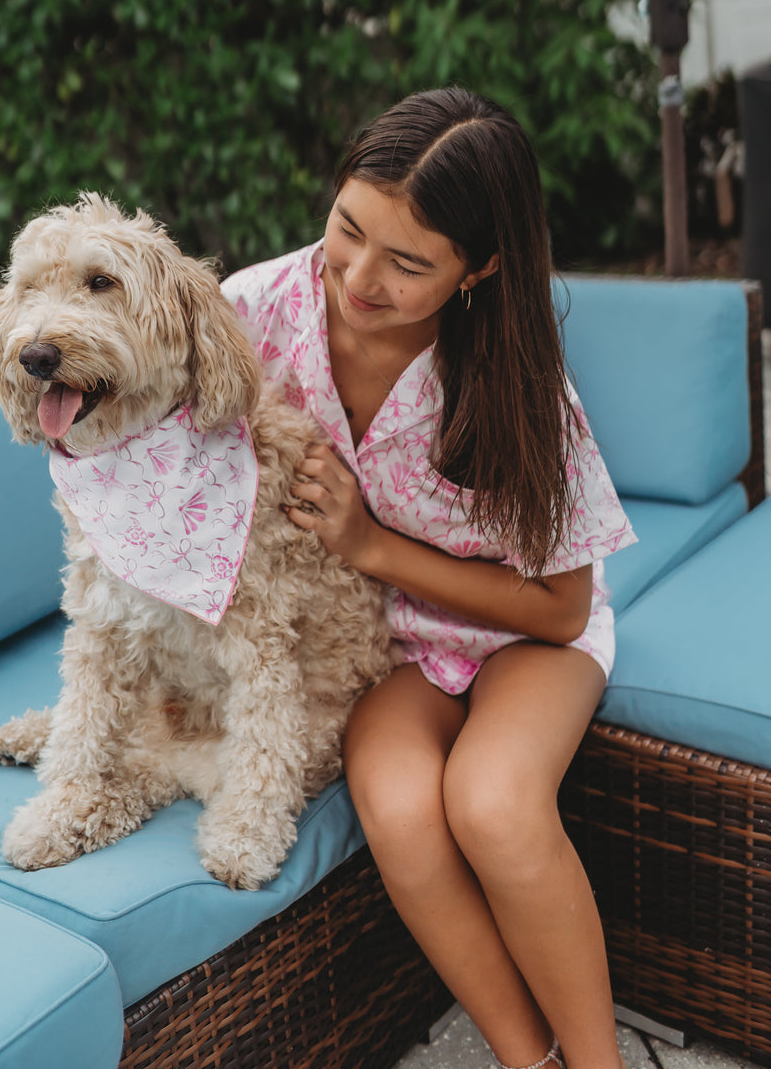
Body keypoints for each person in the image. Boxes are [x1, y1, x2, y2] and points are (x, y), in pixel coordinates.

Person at [222, 86, 636, 1069]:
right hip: (391, 644)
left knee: (493, 804)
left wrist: (370, 545)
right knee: (402, 809)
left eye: (408, 264)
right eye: (347, 229)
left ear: (478, 269)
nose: (359, 278)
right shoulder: (253, 313)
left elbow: (561, 607)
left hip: (528, 636)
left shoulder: (519, 384)